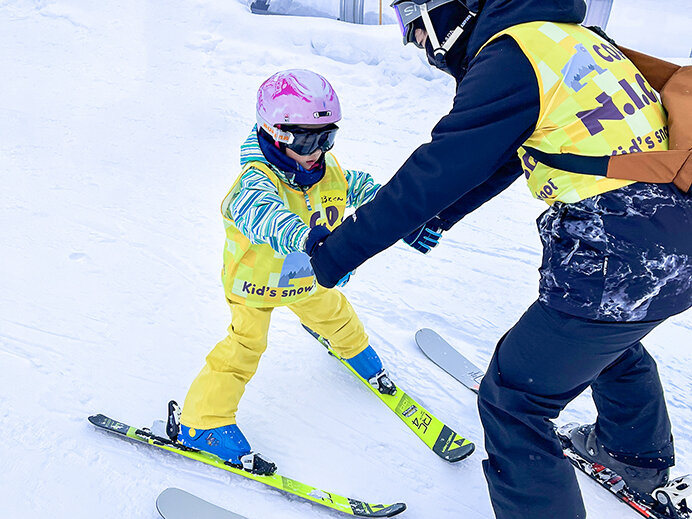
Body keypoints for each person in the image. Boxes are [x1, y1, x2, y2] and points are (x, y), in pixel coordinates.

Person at [305, 0, 692, 517]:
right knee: (605, 336)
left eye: (413, 24)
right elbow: (508, 154)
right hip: (673, 244)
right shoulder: (572, 39)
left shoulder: (514, 53)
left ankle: (624, 459)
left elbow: (438, 167)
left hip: (619, 255)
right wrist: (438, 219)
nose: (415, 41)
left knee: (514, 401)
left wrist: (336, 251)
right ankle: (632, 456)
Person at [178, 69, 397, 476]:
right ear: (274, 132)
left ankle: (351, 350)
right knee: (243, 349)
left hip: (305, 279)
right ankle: (201, 422)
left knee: (338, 315)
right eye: (307, 139)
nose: (318, 150)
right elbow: (265, 216)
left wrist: (405, 210)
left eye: (327, 137)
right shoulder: (254, 182)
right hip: (255, 287)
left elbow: (363, 187)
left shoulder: (327, 170)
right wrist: (308, 238)